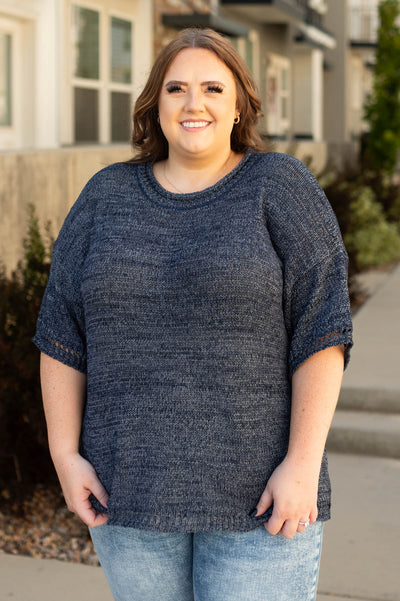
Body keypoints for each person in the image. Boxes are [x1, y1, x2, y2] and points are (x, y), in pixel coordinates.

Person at [33, 27, 353, 601]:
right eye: (176, 88)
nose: (193, 103)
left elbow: (322, 331)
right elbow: (62, 333)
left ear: (239, 105)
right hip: (127, 494)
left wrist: (303, 466)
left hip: (262, 497)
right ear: (156, 106)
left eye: (212, 87)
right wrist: (64, 455)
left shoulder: (279, 188)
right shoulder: (106, 196)